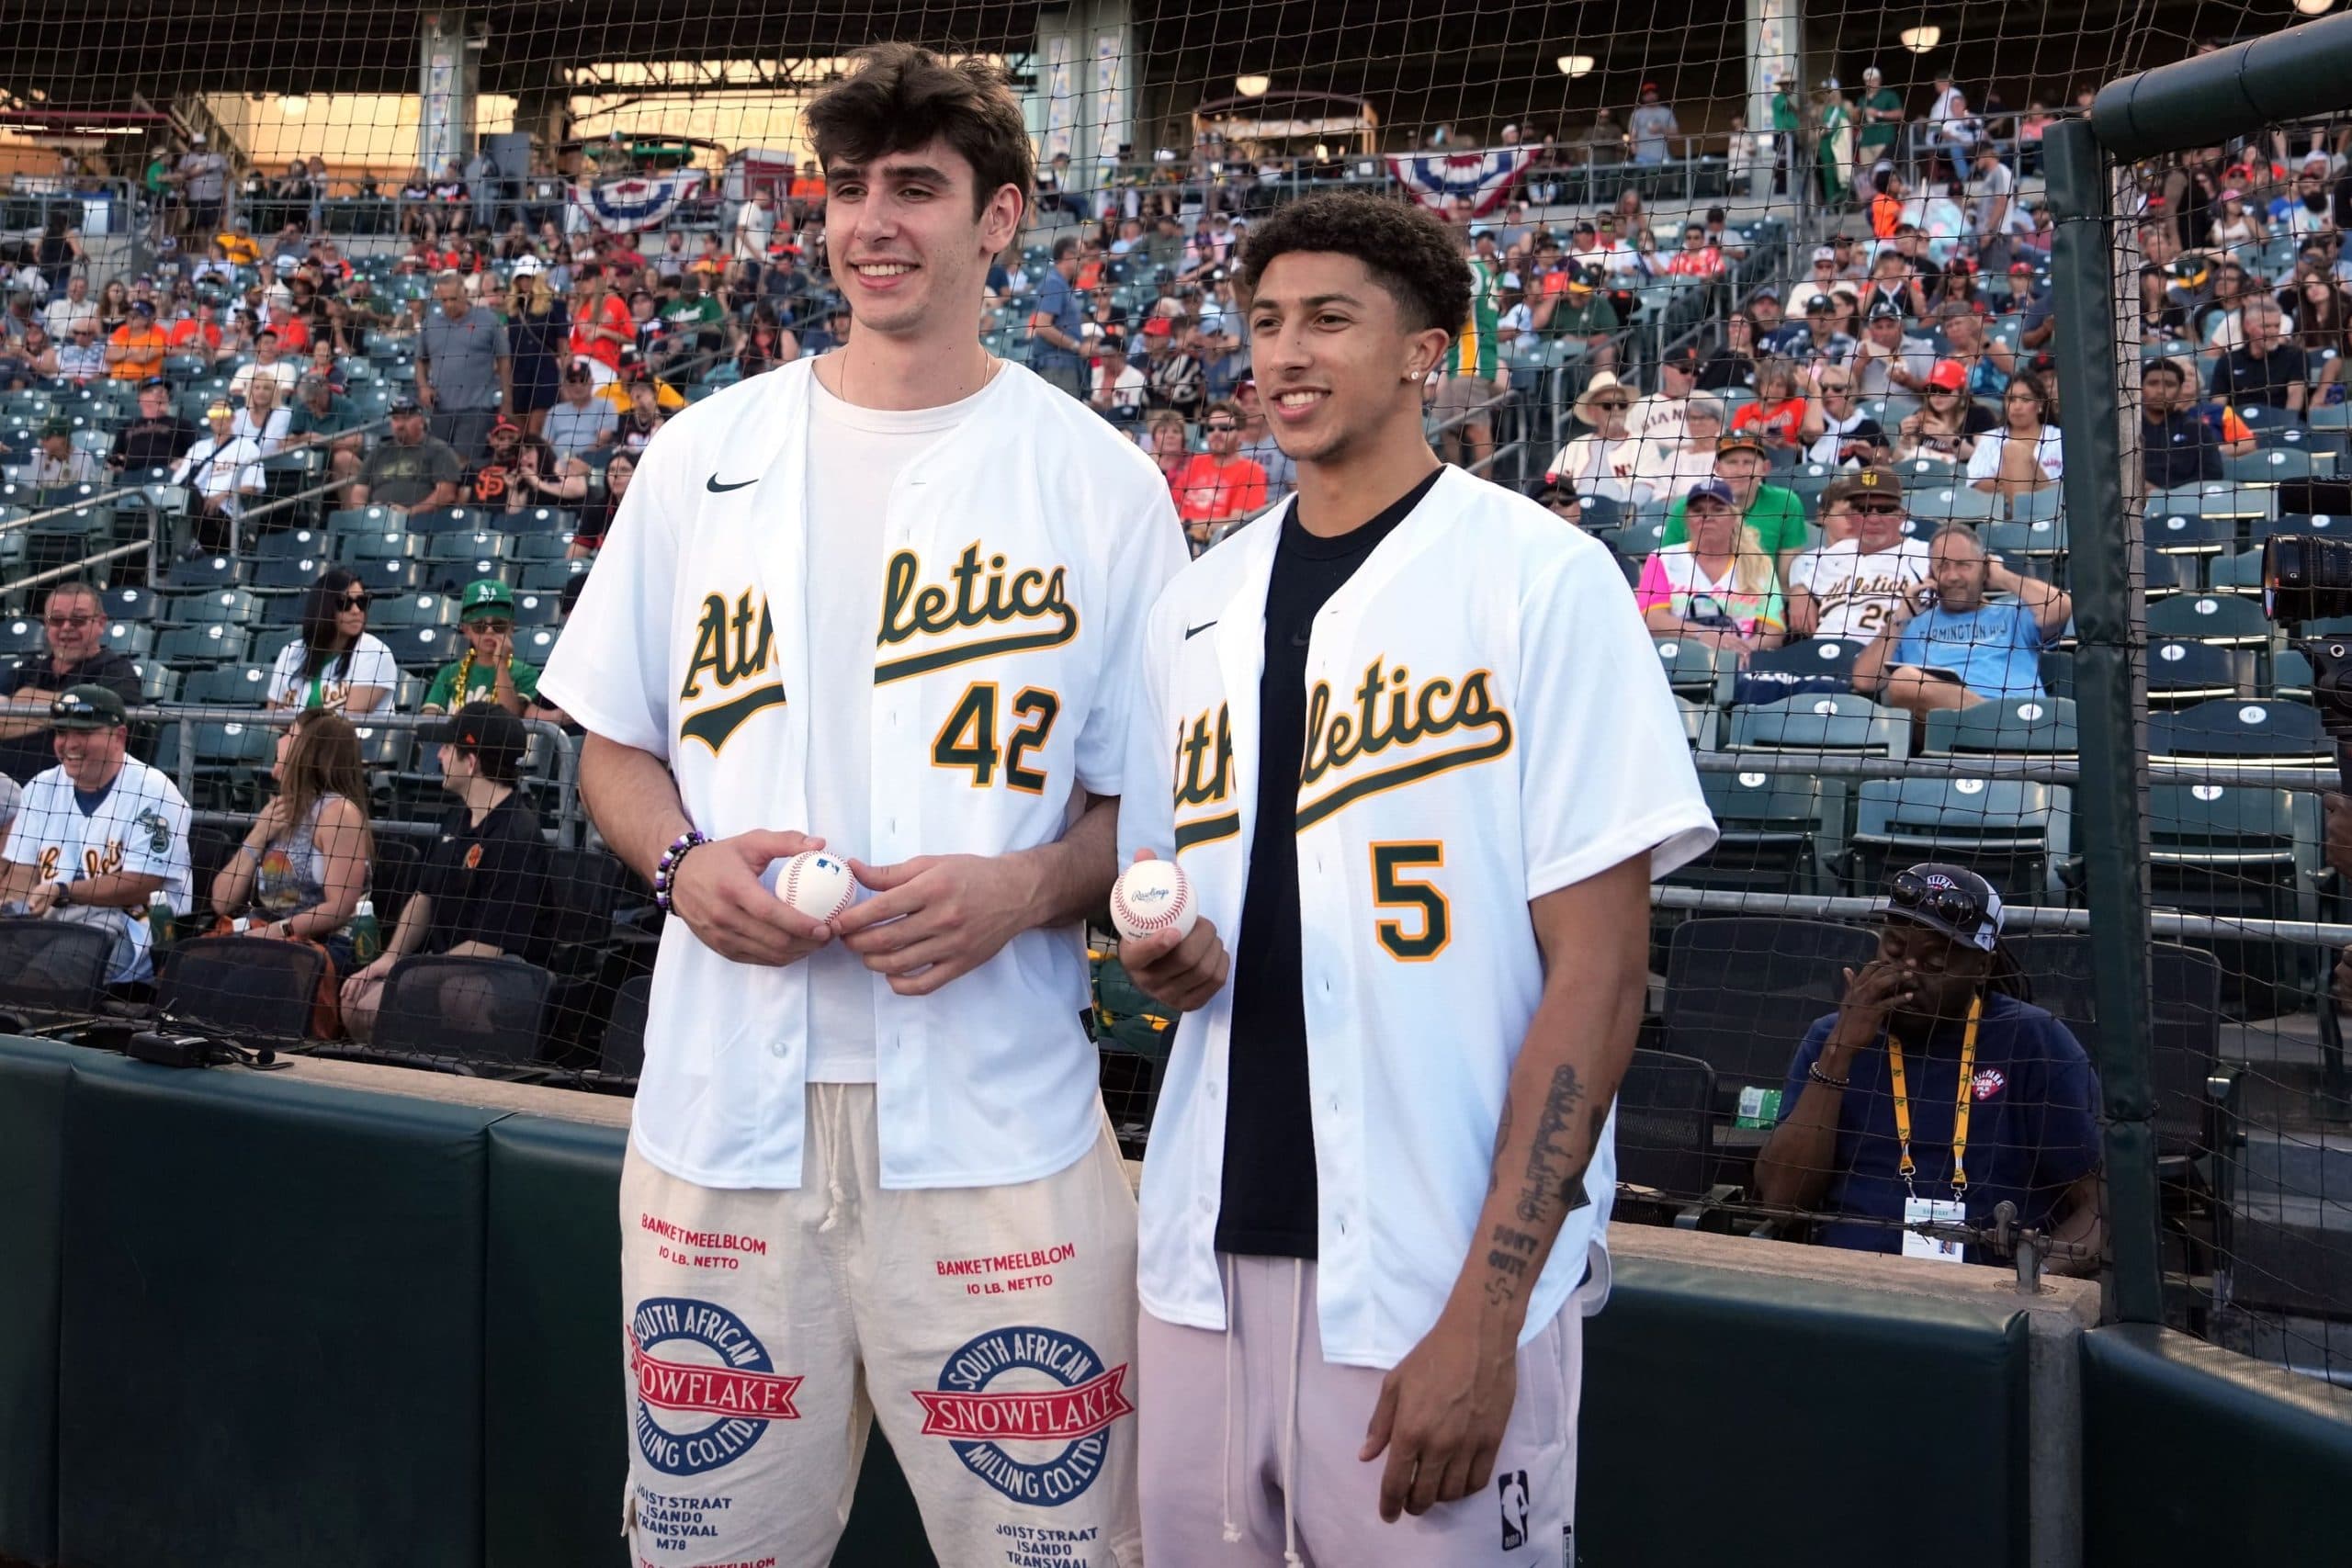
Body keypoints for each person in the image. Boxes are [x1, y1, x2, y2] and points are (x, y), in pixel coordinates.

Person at [540, 44, 1184, 1568]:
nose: (872, 223)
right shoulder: (703, 453)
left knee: (1061, 1551)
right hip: (723, 1118)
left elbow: (1147, 812)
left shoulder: (1096, 482)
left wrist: (1023, 891)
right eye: (846, 189)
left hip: (997, 1119)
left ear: (1001, 219)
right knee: (706, 1545)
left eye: (916, 188)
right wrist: (685, 863)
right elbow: (612, 750)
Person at [1113, 189, 1716, 1563]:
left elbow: (1605, 972)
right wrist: (1164, 951)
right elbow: (1161, 879)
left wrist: (1486, 1312)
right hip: (1204, 1251)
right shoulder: (1195, 604)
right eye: (1265, 322)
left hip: (1436, 1265)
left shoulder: (1543, 580)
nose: (1285, 353)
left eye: (1331, 318)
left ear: (1425, 355)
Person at [1755, 863, 2104, 1270]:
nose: (1908, 972)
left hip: (1986, 1295)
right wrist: (1839, 1053)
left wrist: (2029, 1282)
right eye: (1894, 949)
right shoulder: (1830, 1037)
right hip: (1848, 1283)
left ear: (1982, 968)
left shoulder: (2034, 1040)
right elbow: (1781, 1201)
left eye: (1936, 963)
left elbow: (2100, 1210)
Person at [338, 704, 548, 1043]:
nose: (439, 756)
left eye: (449, 748)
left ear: (472, 760)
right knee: (355, 1001)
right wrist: (390, 958)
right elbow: (424, 897)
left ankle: (479, 1087)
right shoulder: (457, 818)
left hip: (511, 969)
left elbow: (491, 947)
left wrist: (410, 973)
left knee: (457, 993)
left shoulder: (517, 833)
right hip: (448, 961)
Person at [0, 685, 190, 987]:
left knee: (38, 985)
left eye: (84, 733)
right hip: (54, 922)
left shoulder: (155, 790)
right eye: (62, 732)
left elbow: (142, 885)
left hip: (141, 926)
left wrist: (62, 890)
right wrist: (13, 905)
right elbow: (22, 873)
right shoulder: (41, 787)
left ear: (119, 736)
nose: (70, 744)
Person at [209, 707, 375, 967]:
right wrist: (258, 835)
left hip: (325, 946)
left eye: (290, 734)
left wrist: (276, 932)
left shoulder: (338, 813)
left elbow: (340, 908)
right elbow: (221, 901)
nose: (279, 739)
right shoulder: (280, 809)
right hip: (269, 934)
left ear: (308, 749)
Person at [1853, 524, 2073, 716]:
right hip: (1945, 734)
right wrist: (1900, 616)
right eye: (1943, 567)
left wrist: (2003, 577)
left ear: (1984, 568)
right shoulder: (1912, 624)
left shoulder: (2013, 612)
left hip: (2023, 717)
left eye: (1963, 565)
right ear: (1931, 573)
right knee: (1904, 681)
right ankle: (1995, 723)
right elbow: (1865, 681)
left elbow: (2061, 608)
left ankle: (2000, 724)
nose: (1953, 576)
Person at [0, 583, 144, 785]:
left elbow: (110, 720)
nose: (67, 627)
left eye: (78, 620)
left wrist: (24, 701)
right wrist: (68, 712)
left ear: (101, 623)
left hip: (74, 792)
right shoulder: (29, 670)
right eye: (57, 620)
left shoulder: (115, 671)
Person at [1638, 477, 1787, 655]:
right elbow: (1652, 619)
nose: (1707, 517)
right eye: (1698, 510)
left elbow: (1773, 631)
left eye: (1718, 510)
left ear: (1734, 518)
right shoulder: (1663, 558)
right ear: (1687, 519)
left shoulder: (1758, 563)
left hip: (1738, 666)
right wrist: (1702, 634)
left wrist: (1744, 650)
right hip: (1677, 659)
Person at [1786, 466, 1931, 641]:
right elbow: (1803, 584)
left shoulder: (1926, 555)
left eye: (1884, 509)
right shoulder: (1836, 553)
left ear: (1902, 515)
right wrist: (1800, 592)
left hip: (1887, 659)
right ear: (1850, 516)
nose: (1873, 518)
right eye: (1863, 510)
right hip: (1821, 658)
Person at [1659, 431, 1812, 581]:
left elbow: (1786, 579)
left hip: (1761, 597)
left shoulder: (1786, 503)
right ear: (1717, 468)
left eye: (1748, 462)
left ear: (1765, 468)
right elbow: (1666, 568)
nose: (1739, 471)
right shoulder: (1689, 507)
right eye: (1731, 462)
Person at [266, 570, 400, 714]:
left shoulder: (376, 653)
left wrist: (296, 728)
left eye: (362, 602)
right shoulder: (291, 652)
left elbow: (349, 721)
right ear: (323, 607)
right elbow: (272, 718)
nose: (356, 610)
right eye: (344, 603)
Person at [420, 581, 557, 720]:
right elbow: (428, 722)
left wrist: (501, 665)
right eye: (479, 626)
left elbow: (511, 719)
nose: (490, 631)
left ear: (511, 628)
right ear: (466, 630)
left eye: (499, 625)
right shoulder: (449, 673)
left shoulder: (526, 673)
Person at [418, 269, 514, 462]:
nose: (449, 305)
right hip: (441, 408)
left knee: (462, 461)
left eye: (453, 299)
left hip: (477, 407)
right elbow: (420, 360)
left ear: (465, 293)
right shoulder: (431, 324)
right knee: (437, 462)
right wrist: (423, 387)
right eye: (444, 300)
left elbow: (504, 360)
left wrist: (507, 401)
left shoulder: (488, 320)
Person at [1169, 399, 1269, 547]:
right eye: (1210, 429)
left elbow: (1235, 524)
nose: (1216, 433)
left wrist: (1187, 524)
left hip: (1215, 546)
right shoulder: (1196, 461)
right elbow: (1173, 507)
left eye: (1224, 428)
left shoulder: (1251, 471)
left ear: (1241, 434)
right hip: (1178, 540)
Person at [170, 400, 266, 552]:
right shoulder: (199, 447)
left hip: (225, 515)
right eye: (214, 415)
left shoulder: (247, 447)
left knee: (192, 497)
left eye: (224, 414)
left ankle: (187, 547)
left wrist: (221, 496)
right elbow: (178, 482)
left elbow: (252, 487)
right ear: (209, 418)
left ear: (233, 418)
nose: (219, 419)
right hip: (193, 507)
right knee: (184, 491)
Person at [1543, 371, 1645, 502]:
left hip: (1621, 518)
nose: (1616, 410)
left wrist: (1619, 513)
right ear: (1592, 412)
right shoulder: (1575, 446)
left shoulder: (1643, 443)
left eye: (1622, 404)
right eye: (1607, 405)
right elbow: (1550, 482)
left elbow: (1644, 488)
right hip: (1575, 517)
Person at [347, 399, 462, 512]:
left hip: (421, 522)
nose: (400, 425)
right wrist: (365, 512)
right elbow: (359, 490)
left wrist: (409, 513)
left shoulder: (439, 449)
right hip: (378, 520)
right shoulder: (378, 451)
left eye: (406, 418)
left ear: (421, 421)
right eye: (395, 419)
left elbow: (446, 494)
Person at [1967, 371, 2064, 498]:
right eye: (2011, 399)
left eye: (2025, 399)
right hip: (1999, 512)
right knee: (2014, 451)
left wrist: (2011, 477)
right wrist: (2020, 474)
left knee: (2015, 451)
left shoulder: (2060, 438)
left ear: (2040, 404)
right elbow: (1975, 485)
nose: (2017, 407)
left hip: (2052, 507)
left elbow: (2071, 485)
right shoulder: (1989, 439)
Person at [2209, 297, 2310, 413]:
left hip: (2280, 426)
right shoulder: (2228, 361)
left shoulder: (2295, 356)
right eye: (2266, 326)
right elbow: (2218, 402)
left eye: (2277, 326)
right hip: (2239, 427)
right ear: (2247, 326)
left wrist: (2287, 423)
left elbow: (2295, 396)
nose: (2273, 332)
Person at [2142, 357, 2224, 489]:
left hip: (2185, 503)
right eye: (2153, 383)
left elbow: (2212, 474)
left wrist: (2161, 492)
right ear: (2140, 388)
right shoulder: (2126, 431)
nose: (2160, 391)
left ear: (2180, 390)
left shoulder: (2198, 430)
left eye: (2169, 384)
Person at [1899, 358, 1996, 463]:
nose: (1937, 395)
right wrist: (1904, 440)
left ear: (1961, 391)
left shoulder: (1980, 415)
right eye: (1931, 389)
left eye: (1944, 390)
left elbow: (1985, 460)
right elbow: (1898, 461)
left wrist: (1949, 439)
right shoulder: (1922, 415)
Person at [1027, 234, 1089, 396]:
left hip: (1065, 365)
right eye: (1081, 256)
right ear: (1068, 255)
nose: (1084, 262)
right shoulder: (1054, 283)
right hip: (1057, 367)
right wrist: (1076, 346)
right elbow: (1042, 326)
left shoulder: (1062, 284)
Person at [1799, 365, 1888, 468]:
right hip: (1815, 481)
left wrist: (1870, 455)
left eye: (1837, 388)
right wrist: (1815, 392)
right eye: (1823, 388)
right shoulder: (1817, 420)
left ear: (1851, 392)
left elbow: (1885, 466)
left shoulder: (1868, 425)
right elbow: (1813, 429)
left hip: (1855, 482)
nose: (1829, 393)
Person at [109, 378, 197, 473]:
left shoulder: (182, 424)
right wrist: (116, 463)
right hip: (133, 479)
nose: (163, 395)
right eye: (155, 391)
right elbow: (115, 460)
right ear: (140, 398)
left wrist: (182, 462)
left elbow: (198, 452)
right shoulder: (127, 426)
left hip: (168, 479)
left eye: (165, 392)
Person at [542, 361, 618, 459]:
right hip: (556, 464)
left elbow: (602, 441)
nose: (578, 386)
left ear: (592, 382)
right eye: (573, 381)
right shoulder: (555, 411)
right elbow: (546, 444)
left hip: (591, 462)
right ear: (566, 385)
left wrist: (578, 459)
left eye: (583, 380)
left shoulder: (605, 406)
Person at [27, 419, 100, 490]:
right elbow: (34, 490)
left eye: (47, 438)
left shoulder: (84, 458)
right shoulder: (40, 457)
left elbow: (82, 491)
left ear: (62, 438)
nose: (42, 442)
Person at [106, 300, 168, 383]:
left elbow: (143, 358)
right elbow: (109, 356)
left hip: (144, 383)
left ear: (145, 320)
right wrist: (131, 351)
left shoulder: (156, 339)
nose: (129, 319)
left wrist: (120, 356)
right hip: (117, 382)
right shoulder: (122, 338)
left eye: (134, 316)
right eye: (128, 315)